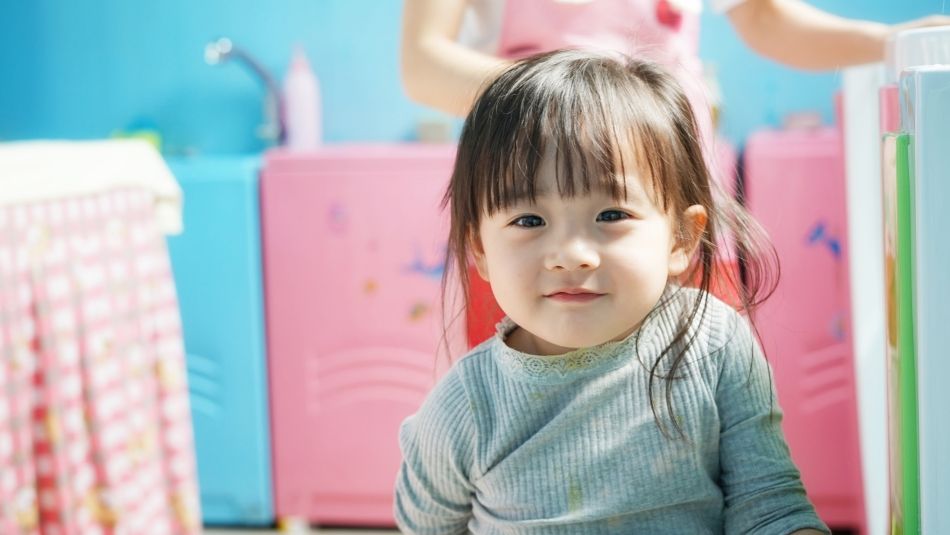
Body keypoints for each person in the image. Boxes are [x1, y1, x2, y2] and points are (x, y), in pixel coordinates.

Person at [394, 49, 829, 534]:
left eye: (611, 215)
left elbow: (769, 509)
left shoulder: (715, 343)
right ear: (481, 250)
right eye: (529, 220)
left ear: (681, 238)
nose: (572, 254)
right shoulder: (465, 408)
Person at [401, 0, 950, 119]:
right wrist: (585, 99)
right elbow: (423, 65)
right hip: (534, 204)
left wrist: (889, 40)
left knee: (687, 395)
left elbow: (765, 17)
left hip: (674, 192)